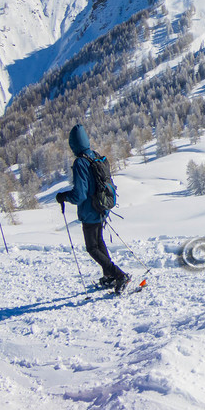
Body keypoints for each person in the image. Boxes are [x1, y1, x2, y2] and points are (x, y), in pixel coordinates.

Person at [57, 123, 129, 291]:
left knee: (92, 248)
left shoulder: (80, 162)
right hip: (102, 206)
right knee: (99, 242)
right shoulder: (94, 156)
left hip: (90, 211)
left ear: (73, 144)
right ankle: (109, 276)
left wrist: (64, 197)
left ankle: (119, 275)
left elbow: (79, 195)